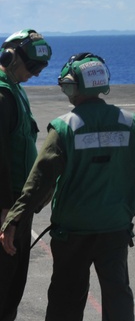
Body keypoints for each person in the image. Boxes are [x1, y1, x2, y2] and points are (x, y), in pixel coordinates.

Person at [0, 52, 135, 321]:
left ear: (73, 86)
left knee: (66, 298)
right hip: (114, 227)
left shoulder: (64, 127)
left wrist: (14, 219)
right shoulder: (129, 123)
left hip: (72, 232)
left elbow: (38, 181)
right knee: (117, 294)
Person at [0, 29, 51, 321]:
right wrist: (7, 208)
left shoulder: (15, 89)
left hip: (18, 203)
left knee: (14, 279)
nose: (34, 74)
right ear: (9, 56)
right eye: (30, 67)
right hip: (8, 205)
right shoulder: (3, 94)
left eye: (39, 69)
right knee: (5, 281)